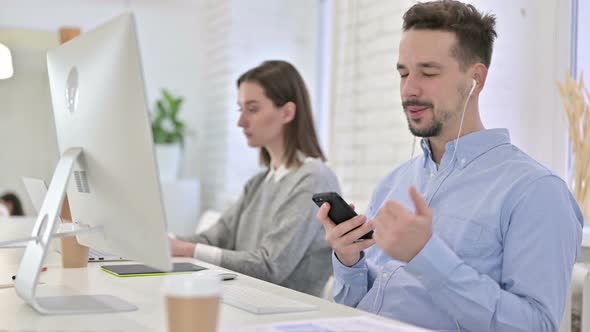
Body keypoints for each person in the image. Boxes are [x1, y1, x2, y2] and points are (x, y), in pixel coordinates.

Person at [316, 1, 583, 331]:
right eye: (403, 73)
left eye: (428, 73)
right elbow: (357, 310)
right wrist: (349, 259)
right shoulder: (394, 182)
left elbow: (537, 326)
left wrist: (426, 256)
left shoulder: (536, 191)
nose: (409, 89)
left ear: (476, 79)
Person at [170, 60, 340, 297]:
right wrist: (164, 240)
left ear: (287, 112)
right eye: (241, 109)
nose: (241, 122)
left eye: (252, 109)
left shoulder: (314, 178)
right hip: (243, 303)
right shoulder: (259, 183)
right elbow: (214, 238)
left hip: (287, 316)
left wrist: (187, 249)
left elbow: (270, 266)